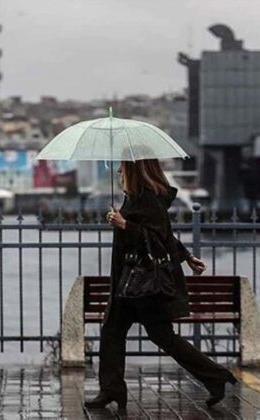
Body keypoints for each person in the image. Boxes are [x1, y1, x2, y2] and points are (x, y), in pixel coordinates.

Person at [84, 159, 237, 411]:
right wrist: (187, 256)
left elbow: (156, 238)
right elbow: (164, 234)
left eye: (123, 166)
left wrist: (125, 225)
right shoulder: (134, 197)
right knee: (112, 331)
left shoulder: (148, 198)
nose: (120, 170)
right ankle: (111, 390)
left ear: (135, 169)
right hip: (130, 282)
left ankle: (216, 376)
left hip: (144, 284)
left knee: (163, 337)